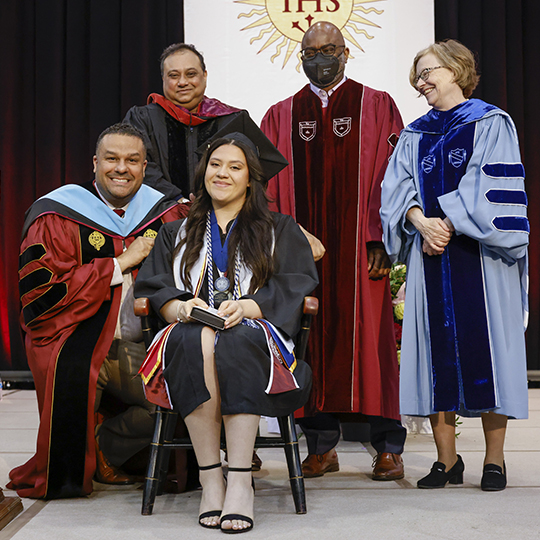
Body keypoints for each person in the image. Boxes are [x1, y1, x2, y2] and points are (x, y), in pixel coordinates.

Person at [135, 134, 318, 532]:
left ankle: (238, 480)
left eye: (235, 167)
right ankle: (210, 477)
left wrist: (250, 306)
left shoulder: (278, 228)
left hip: (257, 333)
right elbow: (153, 285)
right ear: (204, 172)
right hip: (187, 332)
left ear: (250, 179)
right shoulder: (175, 231)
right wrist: (180, 305)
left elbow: (297, 280)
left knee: (235, 338)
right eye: (216, 164)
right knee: (196, 337)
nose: (223, 173)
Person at [7, 123, 187, 499]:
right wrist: (121, 263)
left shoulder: (166, 215)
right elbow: (41, 296)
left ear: (144, 166)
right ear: (95, 163)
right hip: (73, 335)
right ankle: (75, 467)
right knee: (69, 375)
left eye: (132, 160)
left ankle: (104, 447)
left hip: (144, 345)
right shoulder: (57, 214)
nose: (121, 168)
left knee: (183, 398)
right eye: (112, 159)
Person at [380, 39, 529, 491]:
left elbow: (491, 182)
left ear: (456, 69)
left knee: (491, 358)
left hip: (482, 259)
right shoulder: (414, 134)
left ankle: (495, 461)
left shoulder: (490, 122)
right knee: (435, 355)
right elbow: (395, 188)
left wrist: (445, 223)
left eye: (429, 72)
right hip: (432, 258)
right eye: (418, 75)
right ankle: (447, 461)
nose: (421, 82)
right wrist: (420, 223)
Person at [261, 21, 406, 480]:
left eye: (328, 50)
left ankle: (387, 445)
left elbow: (394, 176)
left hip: (362, 249)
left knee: (372, 340)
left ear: (346, 53)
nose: (318, 59)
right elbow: (264, 191)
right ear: (299, 57)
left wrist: (378, 236)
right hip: (300, 254)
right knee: (308, 339)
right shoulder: (280, 115)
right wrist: (284, 243)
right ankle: (321, 446)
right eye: (309, 52)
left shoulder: (377, 105)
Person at [123, 43, 244, 200]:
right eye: (173, 75)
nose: (182, 82)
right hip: (159, 213)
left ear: (205, 75)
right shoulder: (142, 119)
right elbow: (137, 164)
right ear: (163, 79)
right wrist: (177, 199)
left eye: (191, 74)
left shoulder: (230, 119)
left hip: (220, 213)